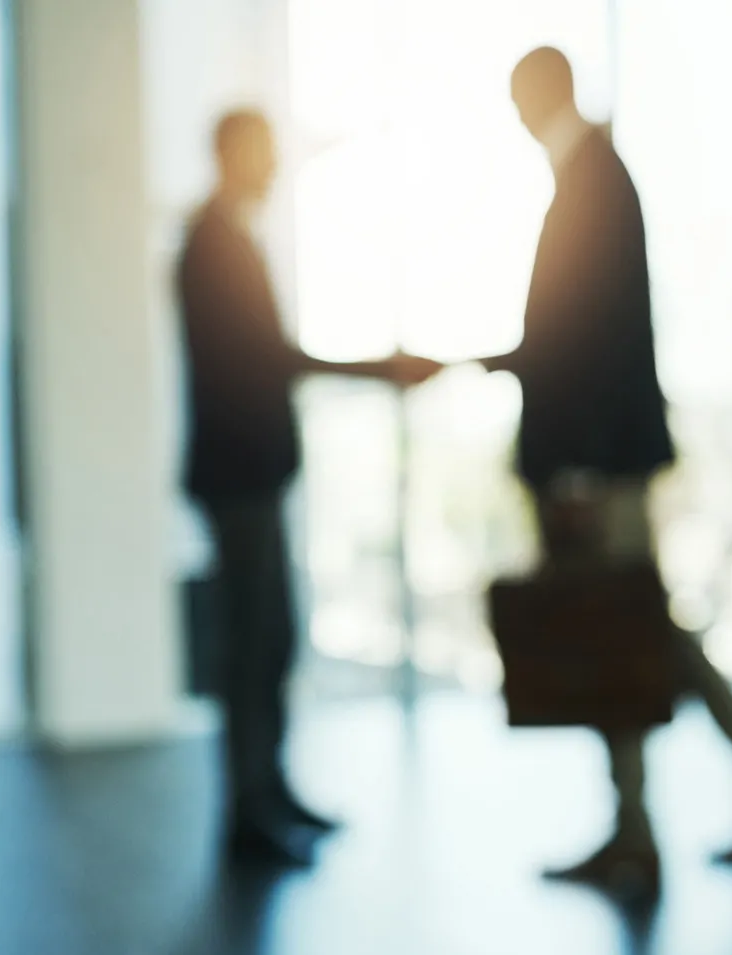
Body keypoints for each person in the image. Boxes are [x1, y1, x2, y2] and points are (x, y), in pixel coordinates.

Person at [481, 48, 732, 895]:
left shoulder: (590, 181)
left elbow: (595, 341)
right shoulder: (591, 175)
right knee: (628, 630)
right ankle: (666, 816)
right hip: (601, 457)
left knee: (632, 628)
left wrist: (578, 467)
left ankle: (720, 799)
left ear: (534, 101)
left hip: (599, 464)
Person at [177, 109, 441, 867]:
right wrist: (376, 370)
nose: (272, 166)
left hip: (251, 473)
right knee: (251, 643)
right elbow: (261, 358)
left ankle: (268, 790)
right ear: (230, 152)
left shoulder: (227, 237)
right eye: (262, 152)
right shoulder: (214, 243)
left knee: (271, 639)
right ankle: (249, 808)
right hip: (238, 476)